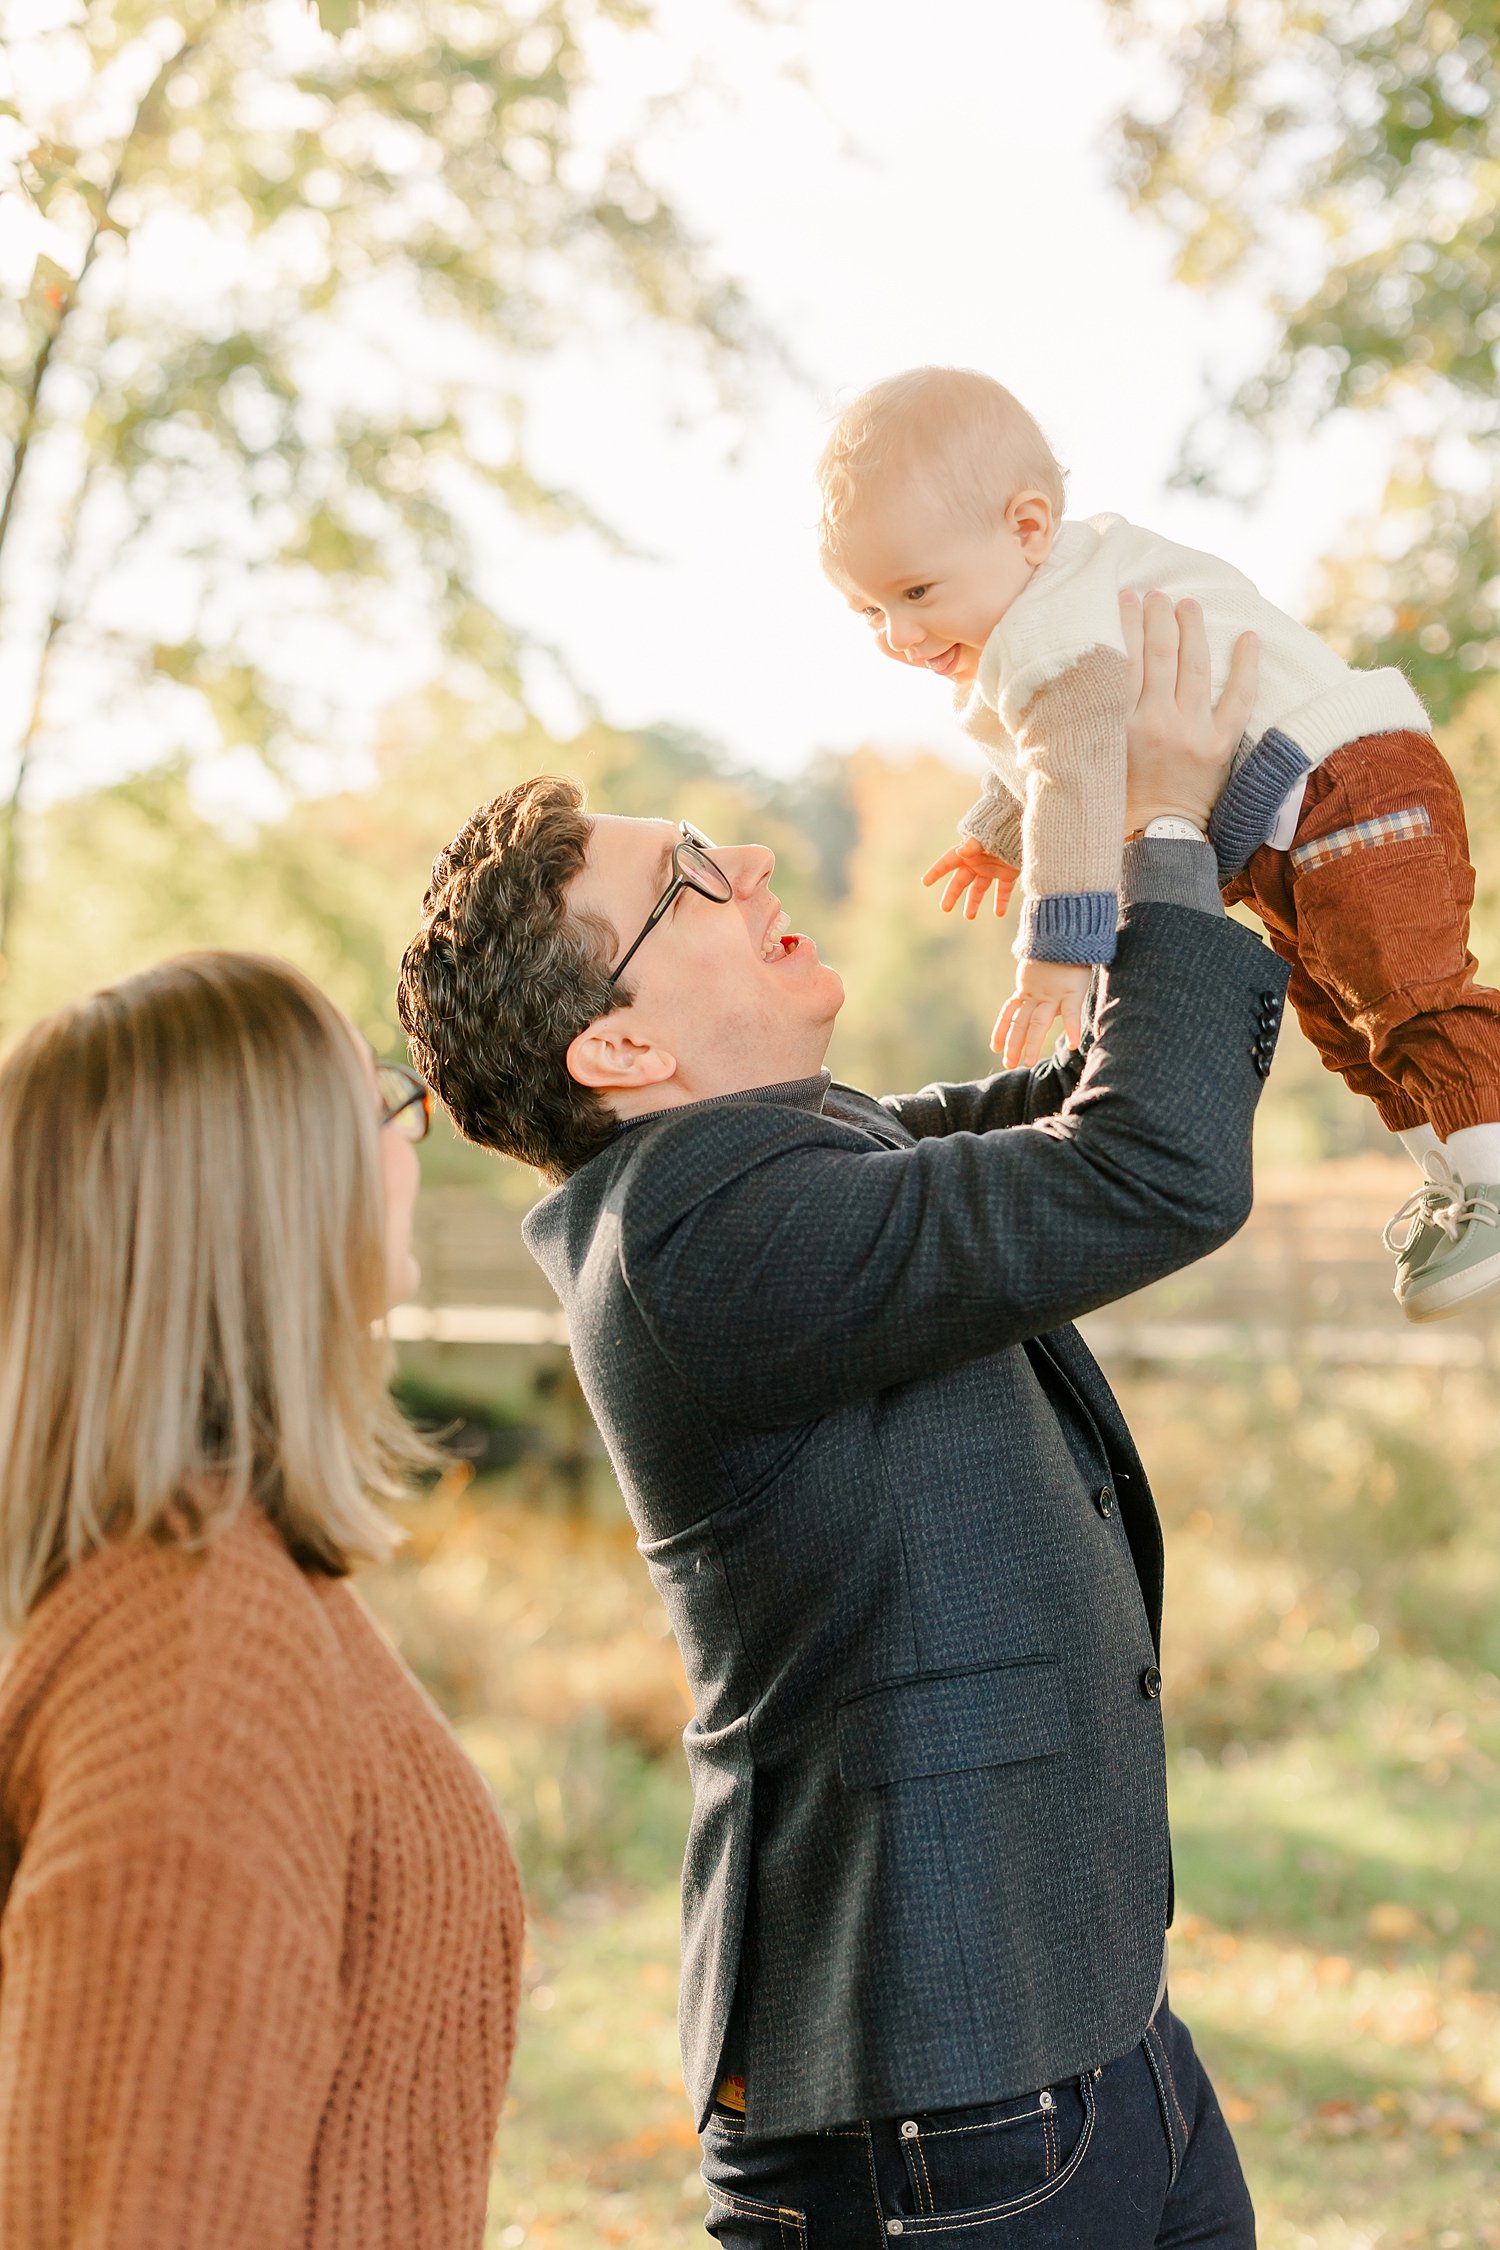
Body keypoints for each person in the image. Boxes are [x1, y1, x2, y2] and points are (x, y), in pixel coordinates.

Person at [397, 598, 1287, 2247]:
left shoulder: (802, 1155)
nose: (752, 857)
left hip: (1074, 2031)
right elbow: (1151, 1167)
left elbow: (1110, 1085)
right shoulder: (696, 1242)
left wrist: (1156, 808)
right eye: (692, 882)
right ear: (622, 1042)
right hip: (937, 2110)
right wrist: (1161, 822)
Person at [0, 952, 524, 2250]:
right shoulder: (201, 1679)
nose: (413, 1139)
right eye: (380, 1104)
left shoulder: (243, 1580)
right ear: (281, 1198)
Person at [818, 363, 1500, 1324]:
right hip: (1303, 822)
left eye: (917, 591)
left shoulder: (1048, 626)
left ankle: (1492, 1172)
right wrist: (994, 831)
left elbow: (1076, 768)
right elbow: (1056, 750)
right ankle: (1459, 1182)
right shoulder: (1059, 600)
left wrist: (1059, 954)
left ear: (1026, 529)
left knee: (1406, 991)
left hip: (1342, 787)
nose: (898, 632)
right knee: (1351, 1024)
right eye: (869, 610)